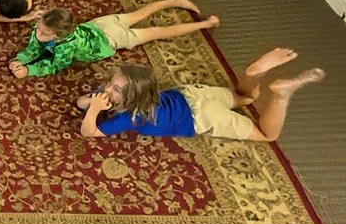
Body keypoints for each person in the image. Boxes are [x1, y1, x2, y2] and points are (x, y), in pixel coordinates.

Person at [77, 47, 324, 141]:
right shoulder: (126, 94)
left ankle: (281, 95)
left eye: (115, 89)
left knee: (267, 135)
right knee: (245, 97)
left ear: (132, 98)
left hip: (203, 116)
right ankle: (253, 74)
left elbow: (89, 132)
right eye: (111, 84)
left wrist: (95, 110)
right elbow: (80, 103)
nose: (107, 89)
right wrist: (91, 100)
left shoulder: (131, 116)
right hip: (194, 95)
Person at [9, 0, 218, 79]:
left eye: (44, 32)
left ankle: (205, 24)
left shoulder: (66, 46)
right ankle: (174, 0)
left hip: (111, 39)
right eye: (38, 27)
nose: (38, 33)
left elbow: (54, 65)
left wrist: (29, 70)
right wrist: (22, 58)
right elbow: (36, 44)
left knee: (156, 32)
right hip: (101, 24)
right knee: (139, 14)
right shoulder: (47, 27)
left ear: (59, 35)